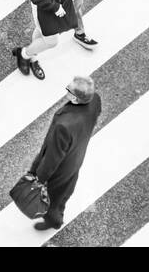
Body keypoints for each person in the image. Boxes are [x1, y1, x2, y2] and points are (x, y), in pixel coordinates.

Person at [21, 75, 102, 227]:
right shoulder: (95, 100)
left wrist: (39, 178)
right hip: (76, 156)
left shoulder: (63, 126)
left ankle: (54, 220)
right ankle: (58, 210)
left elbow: (52, 158)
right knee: (66, 189)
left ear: (76, 99)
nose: (66, 91)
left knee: (53, 195)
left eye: (69, 90)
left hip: (62, 166)